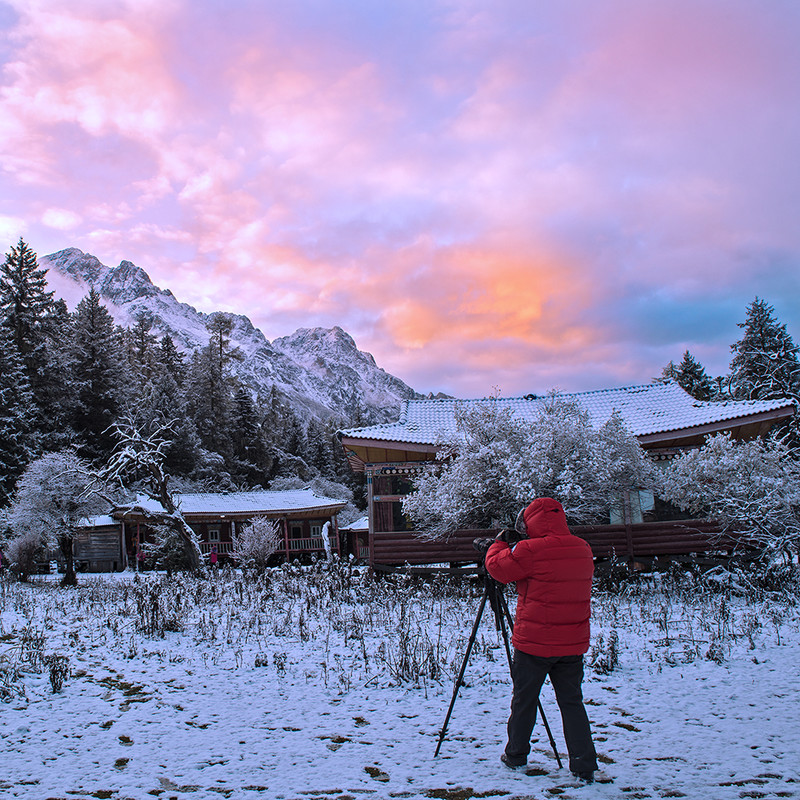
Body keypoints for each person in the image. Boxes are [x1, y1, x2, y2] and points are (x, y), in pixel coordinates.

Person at [485, 497, 598, 783]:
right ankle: (584, 764)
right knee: (572, 702)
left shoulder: (529, 549)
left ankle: (516, 755)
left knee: (524, 699)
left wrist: (498, 544)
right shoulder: (582, 548)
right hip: (572, 643)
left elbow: (498, 570)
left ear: (530, 522)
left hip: (533, 643)